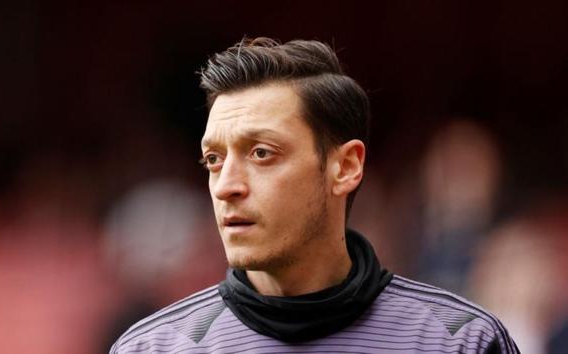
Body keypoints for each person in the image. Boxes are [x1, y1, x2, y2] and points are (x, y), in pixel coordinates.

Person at [110, 37, 519, 353]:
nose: (226, 185)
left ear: (345, 167)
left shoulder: (460, 341)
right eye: (213, 159)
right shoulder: (153, 347)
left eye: (262, 153)